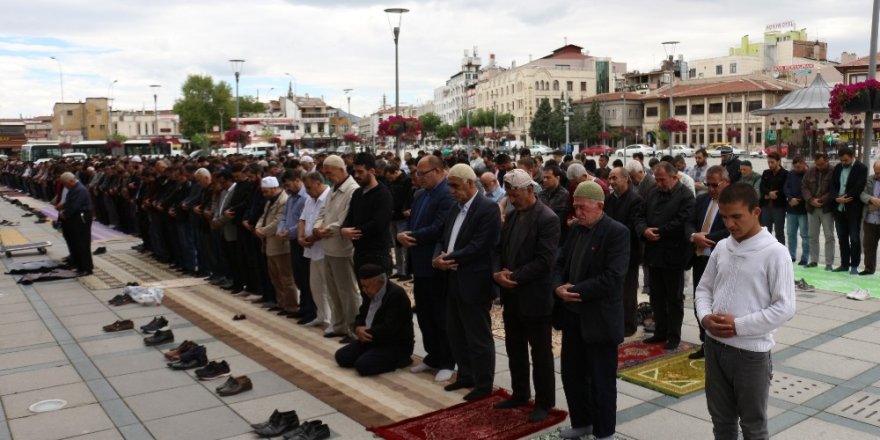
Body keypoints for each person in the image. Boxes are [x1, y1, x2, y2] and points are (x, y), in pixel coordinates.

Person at [695, 182, 796, 440]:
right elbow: (703, 289)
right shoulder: (722, 247)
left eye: (736, 216)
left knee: (753, 425)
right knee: (721, 420)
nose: (729, 224)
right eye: (725, 216)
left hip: (750, 354)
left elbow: (785, 307)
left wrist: (739, 325)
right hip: (715, 347)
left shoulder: (775, 253)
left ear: (756, 212)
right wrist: (705, 317)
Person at [555, 180, 630, 440]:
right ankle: (582, 422)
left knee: (601, 381)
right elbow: (560, 262)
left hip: (599, 319)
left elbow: (612, 277)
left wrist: (575, 290)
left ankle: (604, 432)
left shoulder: (616, 232)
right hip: (573, 317)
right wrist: (558, 287)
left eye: (583, 207)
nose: (577, 211)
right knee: (572, 375)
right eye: (575, 206)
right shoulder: (576, 230)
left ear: (599, 206)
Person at [492, 169, 559, 423]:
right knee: (514, 348)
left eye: (515, 192)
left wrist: (514, 276)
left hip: (534, 297)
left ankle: (544, 402)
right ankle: (520, 393)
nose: (510, 197)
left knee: (540, 353)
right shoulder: (511, 215)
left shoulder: (547, 218)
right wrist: (497, 273)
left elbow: (545, 261)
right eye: (508, 192)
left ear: (530, 189)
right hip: (512, 296)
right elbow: (499, 250)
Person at [434, 164, 500, 401]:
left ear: (471, 184)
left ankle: (483, 384)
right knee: (456, 332)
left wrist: (447, 258)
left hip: (475, 282)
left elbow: (479, 246)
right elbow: (444, 239)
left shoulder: (488, 209)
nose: (451, 190)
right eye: (449, 185)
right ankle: (465, 375)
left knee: (478, 336)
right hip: (453, 279)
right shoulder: (455, 208)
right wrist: (439, 258)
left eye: (455, 186)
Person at [397, 155, 456, 382]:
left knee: (440, 313)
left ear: (439, 171)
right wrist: (402, 232)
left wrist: (410, 235)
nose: (419, 178)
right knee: (424, 312)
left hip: (435, 263)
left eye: (423, 173)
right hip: (418, 262)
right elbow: (409, 220)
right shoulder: (420, 194)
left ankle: (447, 359)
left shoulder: (446, 195)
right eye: (417, 174)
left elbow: (438, 228)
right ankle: (433, 355)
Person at [637, 162, 695, 350]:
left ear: (674, 177)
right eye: (657, 179)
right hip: (653, 254)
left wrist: (659, 231)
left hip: (673, 254)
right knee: (657, 296)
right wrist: (644, 230)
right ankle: (660, 331)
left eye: (662, 180)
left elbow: (683, 221)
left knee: (674, 298)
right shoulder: (652, 193)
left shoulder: (685, 195)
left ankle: (673, 335)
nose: (659, 183)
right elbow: (639, 215)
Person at [313, 155, 362, 340]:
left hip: (342, 248)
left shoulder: (352, 190)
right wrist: (317, 227)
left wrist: (326, 229)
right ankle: (339, 324)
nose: (327, 177)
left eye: (329, 173)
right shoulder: (333, 188)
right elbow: (322, 212)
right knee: (333, 290)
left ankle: (353, 328)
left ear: (341, 170)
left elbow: (345, 219)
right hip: (328, 246)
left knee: (347, 291)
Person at [335, 264, 415, 376]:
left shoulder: (396, 295)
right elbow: (361, 316)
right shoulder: (369, 292)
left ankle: (401, 360)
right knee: (341, 357)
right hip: (371, 339)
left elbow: (390, 327)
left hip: (393, 344)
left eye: (366, 286)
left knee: (363, 366)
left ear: (379, 282)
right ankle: (372, 353)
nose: (363, 289)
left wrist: (366, 332)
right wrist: (357, 329)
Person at [685, 165, 731, 359]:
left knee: (718, 303)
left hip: (721, 260)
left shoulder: (733, 203)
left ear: (726, 183)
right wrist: (694, 236)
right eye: (708, 184)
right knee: (700, 301)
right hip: (699, 258)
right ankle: (705, 341)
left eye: (715, 185)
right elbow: (688, 222)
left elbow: (731, 229)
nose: (711, 189)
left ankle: (718, 343)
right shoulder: (702, 200)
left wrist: (708, 237)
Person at [603, 166, 645, 336]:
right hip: (611, 251)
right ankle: (615, 320)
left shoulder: (635, 200)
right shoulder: (610, 199)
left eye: (615, 178)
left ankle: (629, 324)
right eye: (610, 178)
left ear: (626, 179)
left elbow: (632, 228)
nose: (611, 182)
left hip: (629, 252)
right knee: (613, 288)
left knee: (628, 290)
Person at [255, 176, 299, 316]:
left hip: (280, 245)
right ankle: (282, 303)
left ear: (274, 188)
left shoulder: (284, 200)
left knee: (286, 278)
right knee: (275, 278)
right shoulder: (270, 201)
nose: (264, 194)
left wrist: (263, 231)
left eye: (266, 191)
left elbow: (278, 221)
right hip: (269, 244)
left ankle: (291, 305)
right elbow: (264, 217)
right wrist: (258, 228)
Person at [298, 171, 332, 330]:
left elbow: (326, 224)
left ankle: (333, 320)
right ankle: (322, 316)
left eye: (309, 187)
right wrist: (300, 237)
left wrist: (310, 239)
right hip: (311, 250)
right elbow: (303, 219)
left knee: (330, 287)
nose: (307, 190)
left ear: (318, 183)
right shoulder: (310, 199)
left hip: (325, 249)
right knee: (316, 286)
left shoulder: (329, 197)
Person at [830, 147, 868, 274]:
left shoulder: (861, 168)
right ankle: (844, 264)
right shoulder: (838, 168)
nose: (843, 163)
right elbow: (833, 186)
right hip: (839, 207)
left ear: (852, 156)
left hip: (853, 207)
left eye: (846, 160)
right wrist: (837, 198)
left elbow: (859, 187)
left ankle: (854, 265)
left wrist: (845, 197)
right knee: (842, 237)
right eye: (841, 160)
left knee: (854, 237)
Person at [801, 152, 835, 270]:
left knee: (829, 236)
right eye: (817, 164)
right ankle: (814, 260)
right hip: (812, 208)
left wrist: (821, 200)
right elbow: (804, 187)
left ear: (827, 161)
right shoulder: (810, 171)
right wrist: (810, 200)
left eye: (821, 164)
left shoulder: (833, 171)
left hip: (826, 208)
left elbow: (834, 189)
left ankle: (829, 263)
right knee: (812, 236)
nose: (819, 166)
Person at [59, 172, 94, 276]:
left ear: (71, 181)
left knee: (82, 243)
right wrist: (63, 207)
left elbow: (74, 206)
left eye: (65, 184)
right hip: (75, 218)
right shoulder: (74, 188)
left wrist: (65, 213)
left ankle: (86, 268)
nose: (65, 186)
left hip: (81, 218)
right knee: (74, 242)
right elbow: (70, 202)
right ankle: (78, 265)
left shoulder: (80, 190)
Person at [783, 156, 809, 265]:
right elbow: (786, 187)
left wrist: (799, 200)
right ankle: (791, 255)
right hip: (791, 209)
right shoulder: (791, 174)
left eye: (799, 166)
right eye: (795, 167)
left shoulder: (809, 174)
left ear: (804, 164)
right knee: (791, 234)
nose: (797, 168)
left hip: (803, 209)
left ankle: (805, 257)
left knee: (805, 235)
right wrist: (789, 198)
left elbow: (809, 190)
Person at [759, 152, 788, 244]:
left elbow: (785, 188)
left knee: (779, 232)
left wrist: (776, 194)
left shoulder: (785, 174)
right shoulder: (766, 173)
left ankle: (781, 252)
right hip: (766, 206)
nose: (770, 164)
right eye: (769, 162)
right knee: (765, 231)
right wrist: (768, 193)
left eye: (772, 162)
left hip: (779, 206)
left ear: (778, 161)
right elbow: (762, 187)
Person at [860, 160, 880, 275]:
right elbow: (862, 194)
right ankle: (869, 268)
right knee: (868, 246)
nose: (877, 175)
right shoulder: (869, 179)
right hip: (869, 219)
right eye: (876, 173)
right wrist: (872, 200)